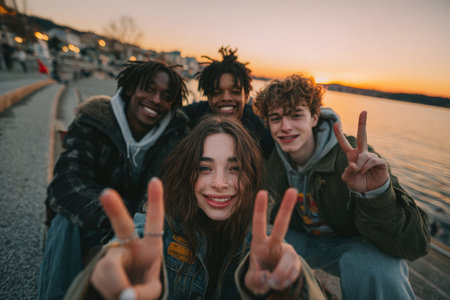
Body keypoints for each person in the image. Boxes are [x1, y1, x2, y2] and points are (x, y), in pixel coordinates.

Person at [64, 116, 326, 300]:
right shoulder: (156, 233)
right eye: (204, 168)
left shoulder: (263, 247)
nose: (220, 183)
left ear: (252, 177)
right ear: (187, 174)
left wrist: (291, 290)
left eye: (234, 169)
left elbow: (289, 272)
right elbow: (131, 246)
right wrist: (106, 285)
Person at [253, 74, 431, 299]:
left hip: (352, 244)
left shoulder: (354, 155)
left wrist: (376, 195)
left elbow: (416, 245)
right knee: (254, 246)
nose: (285, 127)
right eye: (276, 118)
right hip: (304, 240)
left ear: (314, 117)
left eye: (296, 115)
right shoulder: (274, 159)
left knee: (376, 270)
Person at [38, 60, 189, 300]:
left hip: (138, 233)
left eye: (166, 95)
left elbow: (164, 196)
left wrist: (126, 234)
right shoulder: (92, 122)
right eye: (148, 89)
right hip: (92, 223)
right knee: (65, 221)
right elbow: (67, 183)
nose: (156, 99)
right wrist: (111, 226)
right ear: (129, 88)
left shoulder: (177, 137)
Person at [183, 46, 274, 159]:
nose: (226, 98)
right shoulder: (191, 117)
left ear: (246, 95)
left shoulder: (262, 133)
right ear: (208, 97)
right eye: (217, 92)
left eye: (235, 92)